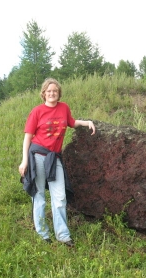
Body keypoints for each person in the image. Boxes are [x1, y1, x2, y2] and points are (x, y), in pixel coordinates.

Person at [18, 78, 95, 247]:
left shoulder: (63, 107)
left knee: (59, 197)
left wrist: (87, 122)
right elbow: (27, 138)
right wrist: (24, 161)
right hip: (37, 155)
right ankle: (43, 233)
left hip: (55, 157)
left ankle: (63, 235)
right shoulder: (37, 111)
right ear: (44, 93)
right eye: (49, 91)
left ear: (59, 93)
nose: (52, 93)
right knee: (38, 196)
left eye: (55, 91)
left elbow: (72, 123)